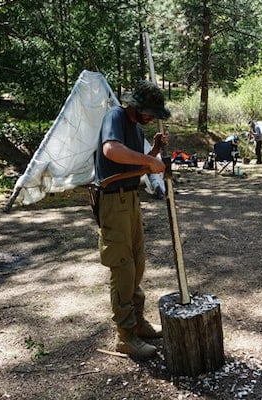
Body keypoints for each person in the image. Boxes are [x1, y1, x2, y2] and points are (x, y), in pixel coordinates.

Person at [93, 80, 170, 359]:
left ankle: (137, 323)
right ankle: (124, 336)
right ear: (134, 106)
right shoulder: (114, 116)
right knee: (122, 267)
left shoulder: (137, 130)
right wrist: (148, 160)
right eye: (148, 112)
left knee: (137, 264)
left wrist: (154, 154)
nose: (151, 118)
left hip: (131, 199)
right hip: (113, 202)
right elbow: (111, 151)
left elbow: (135, 165)